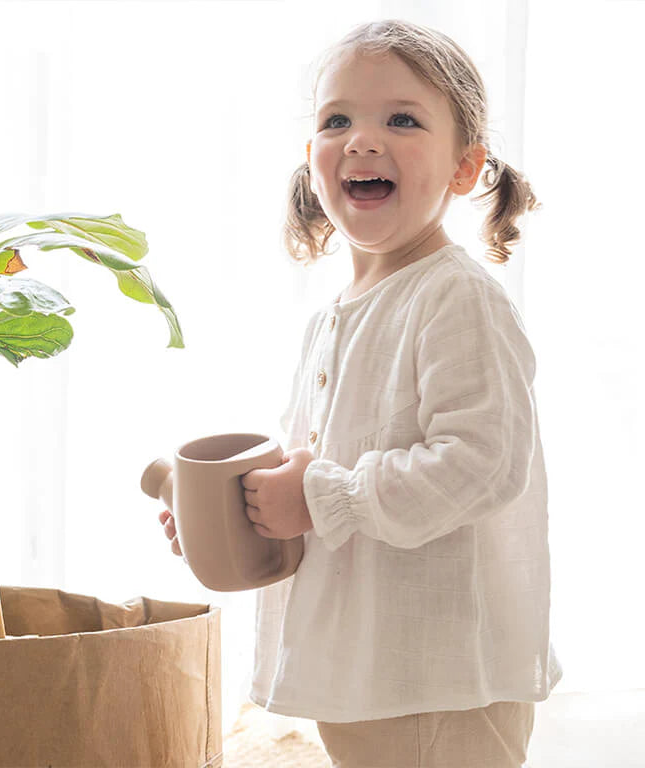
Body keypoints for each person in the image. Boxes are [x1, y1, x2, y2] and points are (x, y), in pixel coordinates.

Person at [158, 18, 562, 768]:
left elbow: (481, 464)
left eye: (401, 120)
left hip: (443, 681)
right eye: (336, 120)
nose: (363, 139)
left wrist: (318, 499)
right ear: (312, 161)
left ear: (464, 168)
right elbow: (330, 472)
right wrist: (246, 519)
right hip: (371, 670)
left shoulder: (455, 298)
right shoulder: (334, 314)